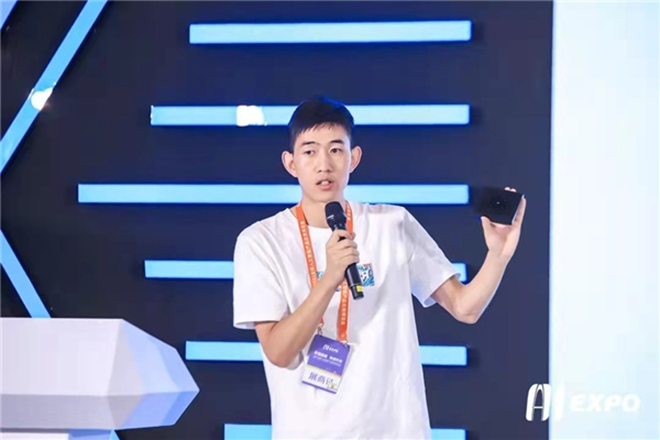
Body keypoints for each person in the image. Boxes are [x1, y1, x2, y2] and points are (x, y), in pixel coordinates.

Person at [232, 96, 526, 439]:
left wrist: (498, 255)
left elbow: (465, 308)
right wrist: (330, 278)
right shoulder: (261, 241)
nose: (324, 164)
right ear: (290, 163)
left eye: (336, 149)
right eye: (309, 151)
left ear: (354, 158)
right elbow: (279, 351)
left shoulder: (391, 223)